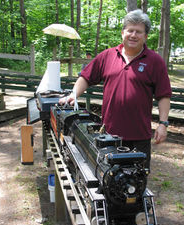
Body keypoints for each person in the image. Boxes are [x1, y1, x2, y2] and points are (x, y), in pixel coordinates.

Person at [59, 9, 171, 169]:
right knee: (108, 178)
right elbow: (86, 77)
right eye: (130, 30)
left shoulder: (155, 61)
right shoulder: (107, 56)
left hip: (139, 136)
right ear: (122, 33)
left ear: (145, 37)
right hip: (109, 134)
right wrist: (73, 95)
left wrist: (163, 123)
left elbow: (164, 95)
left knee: (136, 182)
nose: (133, 35)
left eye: (138, 32)